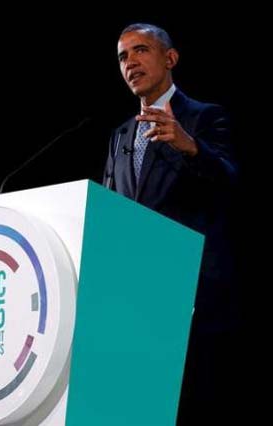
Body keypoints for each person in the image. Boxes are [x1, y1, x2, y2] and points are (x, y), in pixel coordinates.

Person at [103, 23, 242, 424]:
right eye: (123, 56)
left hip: (194, 292)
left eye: (140, 50)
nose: (130, 63)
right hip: (136, 297)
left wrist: (192, 147)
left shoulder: (204, 118)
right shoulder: (120, 135)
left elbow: (232, 181)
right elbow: (113, 208)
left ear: (170, 58)